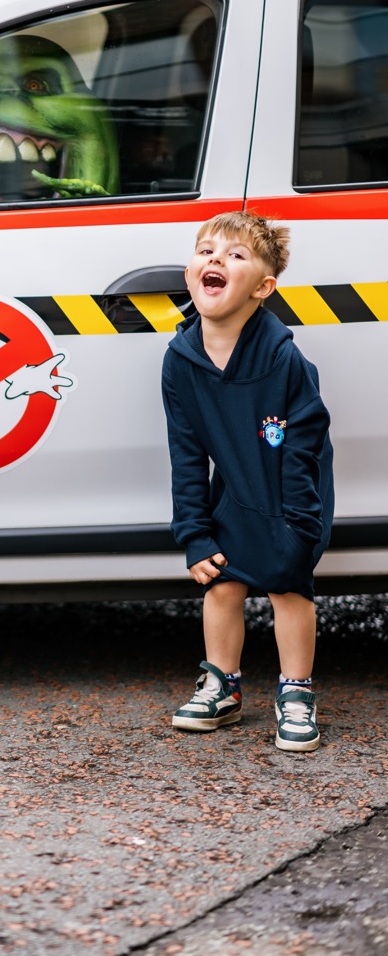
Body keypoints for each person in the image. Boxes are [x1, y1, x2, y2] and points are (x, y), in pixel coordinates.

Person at [161, 211, 333, 752]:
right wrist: (194, 533)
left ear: (263, 287)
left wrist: (298, 525)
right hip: (233, 490)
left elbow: (304, 444)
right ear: (192, 273)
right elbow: (186, 453)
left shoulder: (283, 358)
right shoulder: (179, 360)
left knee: (288, 585)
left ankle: (297, 691)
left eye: (234, 255)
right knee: (222, 582)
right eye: (207, 250)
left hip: (291, 494)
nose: (216, 259)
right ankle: (223, 685)